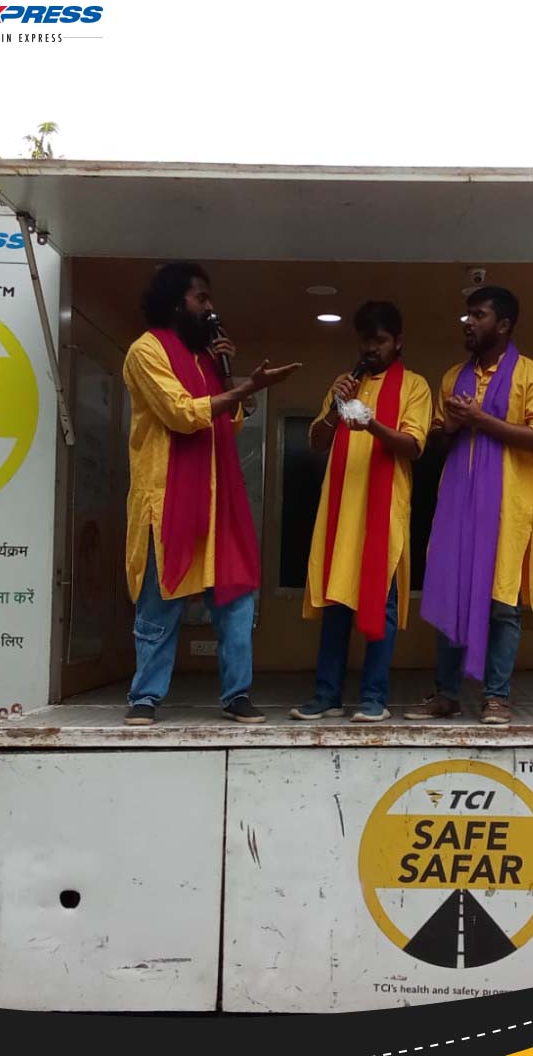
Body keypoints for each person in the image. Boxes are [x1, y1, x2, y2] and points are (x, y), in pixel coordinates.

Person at [122, 262, 300, 726]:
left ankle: (237, 694)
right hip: (169, 498)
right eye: (202, 298)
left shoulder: (205, 360)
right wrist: (245, 388)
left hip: (220, 500)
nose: (210, 307)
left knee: (237, 602)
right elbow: (182, 415)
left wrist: (231, 383)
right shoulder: (146, 350)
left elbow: (229, 424)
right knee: (161, 600)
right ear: (176, 302)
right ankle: (145, 697)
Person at [409, 286, 533, 725]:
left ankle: (496, 697)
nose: (468, 323)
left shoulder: (531, 376)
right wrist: (453, 427)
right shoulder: (452, 377)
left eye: (479, 315)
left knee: (502, 604)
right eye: (467, 315)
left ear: (504, 324)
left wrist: (480, 420)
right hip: (457, 506)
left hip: (506, 508)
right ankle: (447, 694)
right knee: (449, 594)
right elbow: (436, 443)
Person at [292, 301, 432, 723]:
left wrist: (370, 424)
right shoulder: (345, 383)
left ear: (398, 341)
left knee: (381, 605)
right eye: (365, 341)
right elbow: (317, 442)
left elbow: (414, 446)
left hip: (384, 513)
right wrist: (336, 407)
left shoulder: (415, 386)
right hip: (339, 512)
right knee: (336, 604)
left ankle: (373, 699)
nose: (371, 349)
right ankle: (327, 696)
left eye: (380, 341)